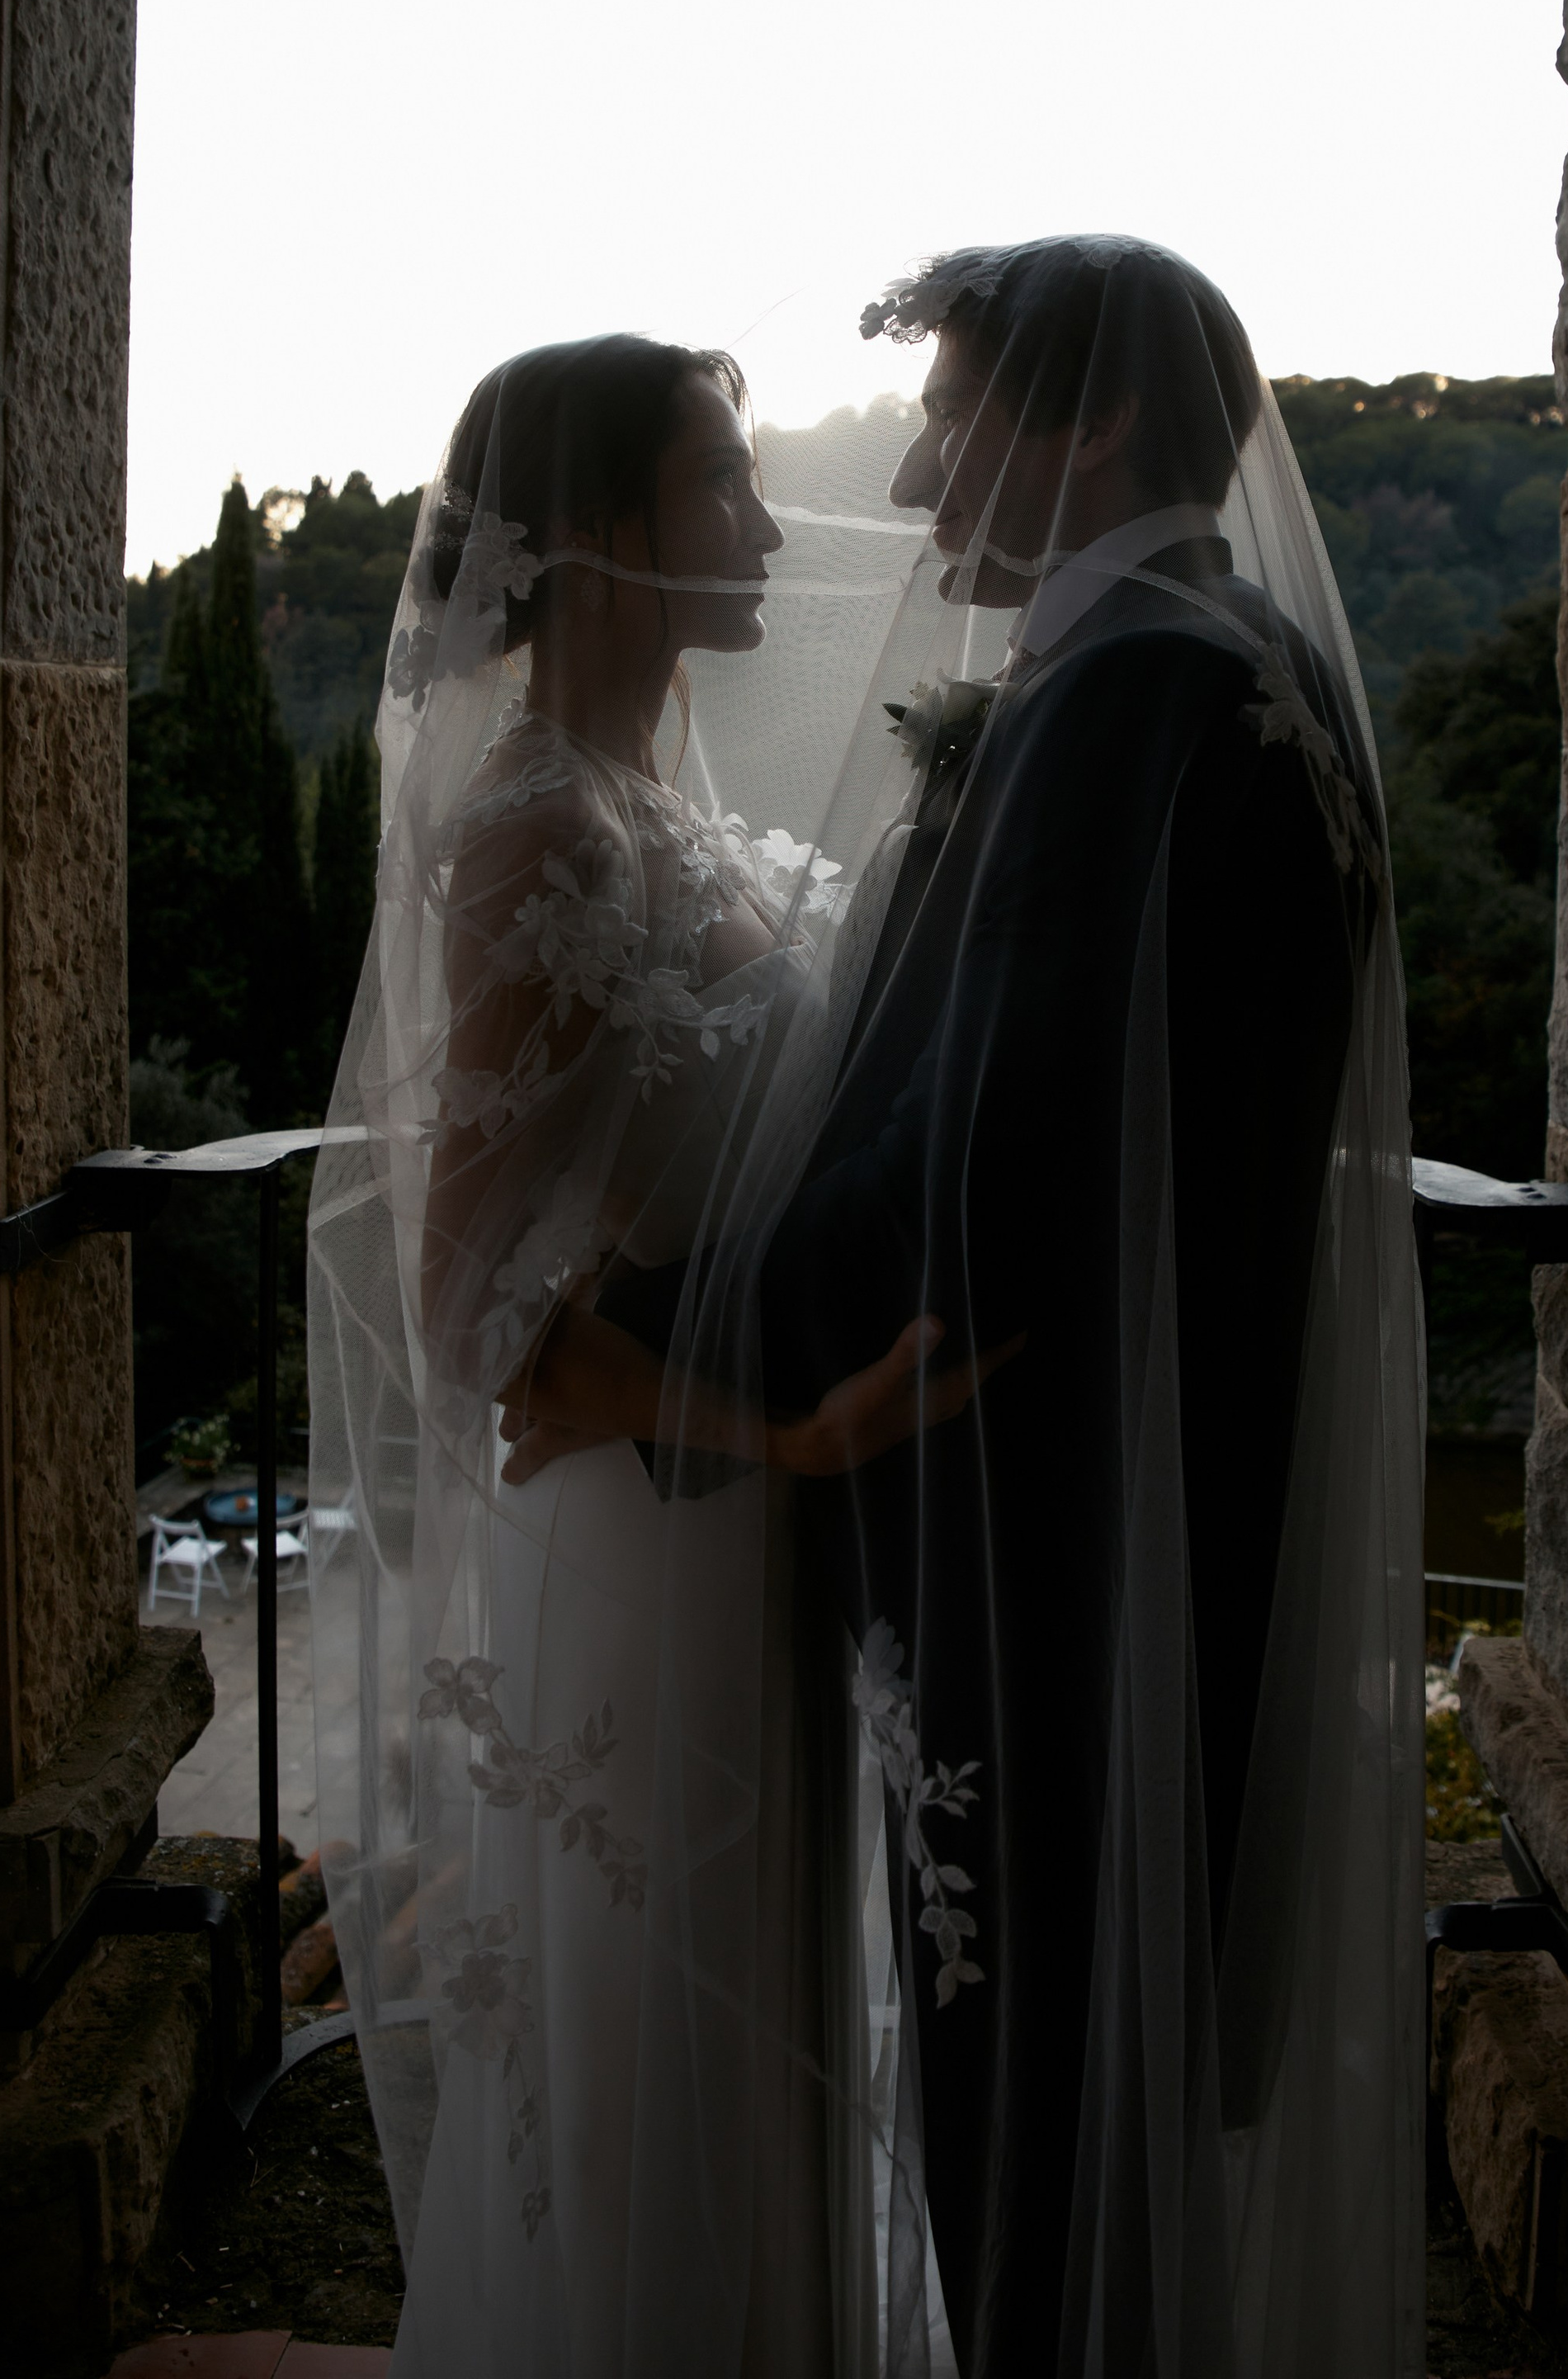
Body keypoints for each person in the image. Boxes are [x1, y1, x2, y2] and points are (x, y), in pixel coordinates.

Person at [510, 241, 1426, 2377]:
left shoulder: (1122, 704)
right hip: (1164, 1498)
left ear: (1083, 423)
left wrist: (657, 1348)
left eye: (948, 415)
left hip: (1041, 1545)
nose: (917, 478)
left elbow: (974, 1175)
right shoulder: (1252, 666)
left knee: (1031, 2153)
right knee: (1103, 2139)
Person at [309, 335, 997, 2377]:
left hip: (731, 1521)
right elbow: (463, 1300)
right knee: (652, 2041)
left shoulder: (654, 805)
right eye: (721, 483)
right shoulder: (539, 827)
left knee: (746, 2016)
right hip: (648, 1532)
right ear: (598, 532)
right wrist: (775, 1435)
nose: (770, 526)